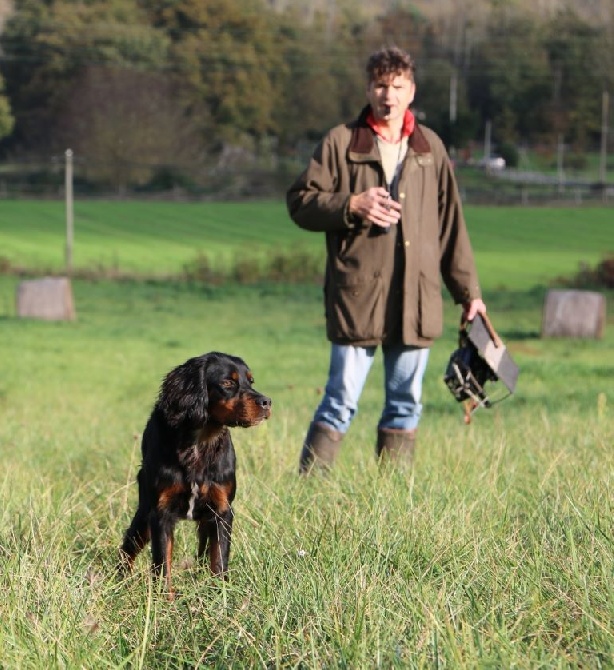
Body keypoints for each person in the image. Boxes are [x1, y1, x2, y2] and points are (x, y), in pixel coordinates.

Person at [286, 46, 486, 473]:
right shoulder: (341, 141)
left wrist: (469, 294)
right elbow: (300, 202)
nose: (388, 95)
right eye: (380, 85)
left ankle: (390, 499)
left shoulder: (430, 147)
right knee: (340, 401)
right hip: (357, 296)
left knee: (405, 404)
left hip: (417, 300)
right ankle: (308, 494)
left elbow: (451, 226)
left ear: (411, 90)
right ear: (368, 88)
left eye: (397, 86)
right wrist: (351, 204)